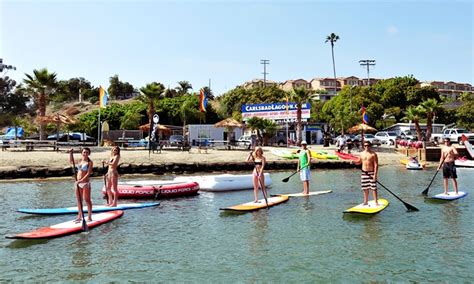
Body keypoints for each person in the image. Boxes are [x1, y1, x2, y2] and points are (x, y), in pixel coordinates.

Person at [69, 147, 93, 222]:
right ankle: (79, 216)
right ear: (82, 153)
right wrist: (70, 153)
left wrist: (81, 180)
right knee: (79, 200)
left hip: (85, 183)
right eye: (84, 152)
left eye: (87, 152)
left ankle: (89, 216)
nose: (85, 154)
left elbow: (88, 173)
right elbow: (71, 161)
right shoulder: (80, 161)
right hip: (78, 183)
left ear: (89, 154)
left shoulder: (90, 162)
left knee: (87, 200)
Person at [356, 141, 379, 206]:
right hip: (364, 173)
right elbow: (359, 162)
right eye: (365, 145)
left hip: (371, 173)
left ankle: (376, 202)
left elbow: (376, 165)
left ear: (370, 146)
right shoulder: (361, 154)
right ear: (364, 146)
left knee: (373, 188)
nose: (367, 147)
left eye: (368, 145)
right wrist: (354, 162)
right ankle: (365, 201)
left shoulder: (373, 154)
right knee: (365, 188)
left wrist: (375, 175)